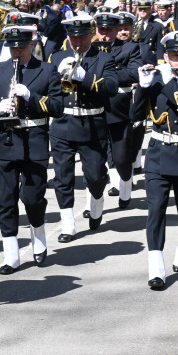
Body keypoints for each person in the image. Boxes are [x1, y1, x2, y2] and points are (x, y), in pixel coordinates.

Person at [0, 25, 64, 272]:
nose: (16, 51)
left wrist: (30, 97)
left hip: (34, 140)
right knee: (5, 200)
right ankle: (11, 254)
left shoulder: (47, 70)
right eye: (12, 46)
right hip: (4, 141)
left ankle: (38, 233)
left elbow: (57, 107)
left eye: (21, 46)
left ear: (31, 44)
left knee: (33, 197)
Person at [131, 31, 178, 289]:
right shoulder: (155, 82)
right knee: (155, 212)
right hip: (158, 154)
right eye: (174, 55)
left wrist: (165, 83)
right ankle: (156, 270)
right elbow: (135, 114)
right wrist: (142, 87)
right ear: (166, 56)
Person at [49, 14, 120, 241]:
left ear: (90, 34)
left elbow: (111, 86)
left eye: (81, 36)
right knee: (62, 177)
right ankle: (67, 225)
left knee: (96, 176)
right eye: (72, 37)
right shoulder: (57, 56)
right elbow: (49, 92)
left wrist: (84, 77)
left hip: (92, 124)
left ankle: (97, 202)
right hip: (63, 124)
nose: (76, 42)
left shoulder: (103, 58)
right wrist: (56, 76)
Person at [98, 12, 142, 209]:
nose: (105, 35)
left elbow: (133, 73)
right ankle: (96, 203)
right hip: (95, 107)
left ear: (116, 31)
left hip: (119, 106)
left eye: (109, 30)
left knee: (122, 156)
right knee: (97, 157)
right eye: (102, 30)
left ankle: (125, 183)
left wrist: (106, 71)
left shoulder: (130, 48)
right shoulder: (89, 49)